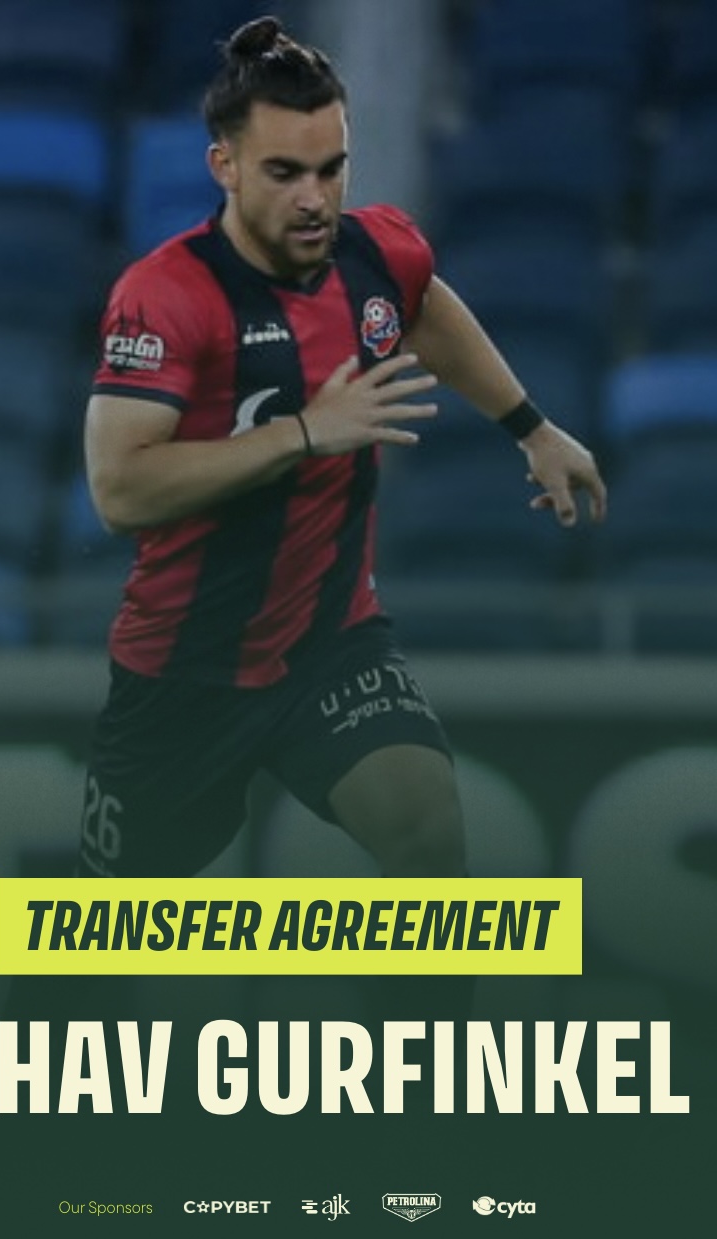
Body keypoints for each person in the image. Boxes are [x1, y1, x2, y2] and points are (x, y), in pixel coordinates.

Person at [79, 16, 606, 882]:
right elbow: (120, 491)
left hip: (329, 640)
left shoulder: (376, 251)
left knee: (427, 835)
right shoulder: (165, 297)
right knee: (102, 935)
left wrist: (531, 426)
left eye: (332, 169)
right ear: (225, 165)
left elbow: (424, 304)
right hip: (184, 669)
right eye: (285, 173)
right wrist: (303, 433)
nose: (315, 199)